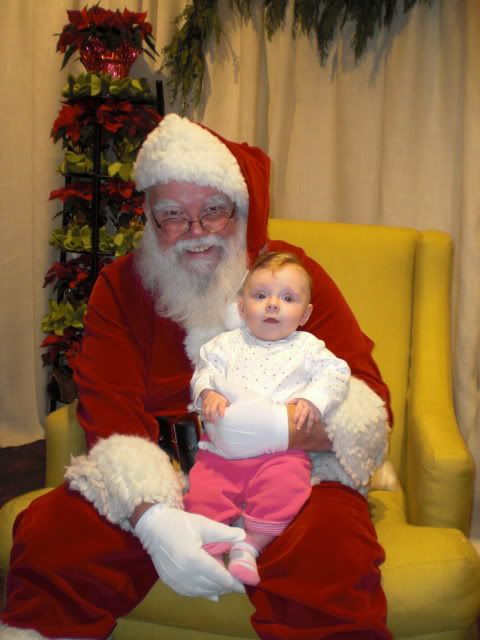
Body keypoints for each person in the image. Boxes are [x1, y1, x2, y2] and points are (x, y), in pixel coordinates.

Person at [0, 113, 392, 640]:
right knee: (54, 535)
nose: (197, 232)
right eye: (173, 216)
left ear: (241, 210)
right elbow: (110, 411)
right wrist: (152, 519)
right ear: (150, 220)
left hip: (295, 468)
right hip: (167, 471)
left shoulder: (293, 278)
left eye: (213, 211)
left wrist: (270, 430)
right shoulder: (121, 286)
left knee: (331, 549)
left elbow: (363, 401)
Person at [185, 251, 351, 586]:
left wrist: (313, 399)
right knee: (203, 492)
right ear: (242, 308)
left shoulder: (308, 348)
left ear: (305, 314)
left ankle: (250, 546)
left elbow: (337, 373)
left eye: (287, 299)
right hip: (222, 454)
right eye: (261, 296)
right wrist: (208, 393)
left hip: (279, 453)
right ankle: (211, 552)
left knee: (288, 487)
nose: (273, 305)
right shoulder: (225, 345)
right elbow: (204, 372)